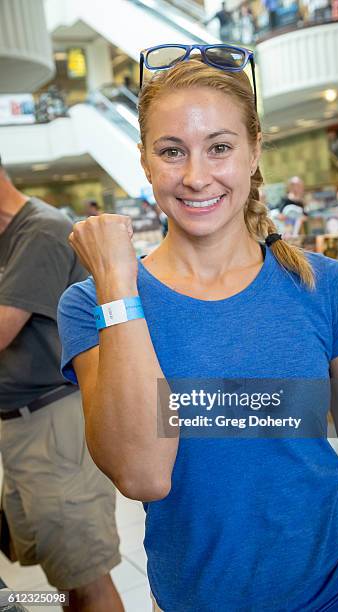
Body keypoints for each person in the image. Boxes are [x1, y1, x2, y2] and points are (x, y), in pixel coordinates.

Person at [58, 45, 338, 611]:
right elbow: (143, 475)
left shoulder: (327, 286)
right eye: (172, 152)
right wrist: (118, 288)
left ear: (253, 152)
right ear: (145, 162)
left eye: (219, 147)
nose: (197, 177)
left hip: (335, 592)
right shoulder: (93, 305)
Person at [0, 157, 123, 612]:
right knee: (66, 572)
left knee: (87, 576)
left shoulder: (41, 231)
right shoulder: (9, 235)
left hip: (54, 423)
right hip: (23, 425)